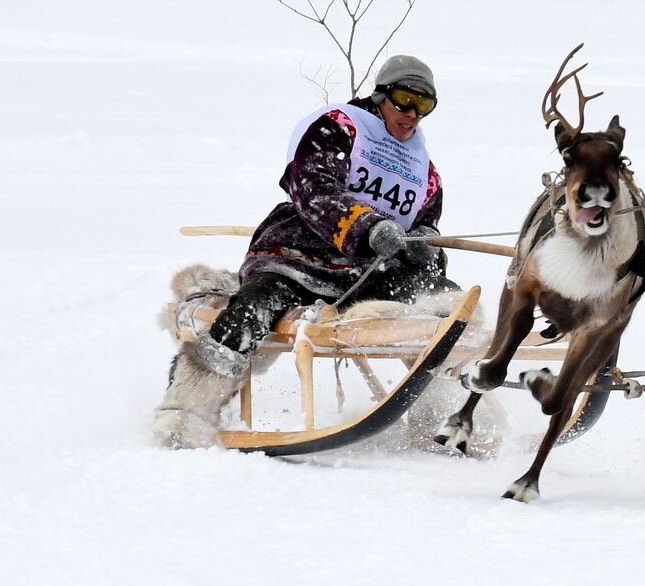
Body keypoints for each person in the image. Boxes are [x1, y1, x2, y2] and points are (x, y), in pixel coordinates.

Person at [153, 54, 453, 448]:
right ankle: (185, 412)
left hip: (367, 275)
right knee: (255, 305)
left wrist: (424, 246)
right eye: (403, 99)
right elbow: (314, 188)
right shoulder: (339, 127)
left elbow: (426, 222)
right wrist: (368, 226)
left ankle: (450, 421)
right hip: (301, 254)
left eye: (423, 105)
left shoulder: (423, 170)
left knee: (443, 307)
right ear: (381, 95)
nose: (411, 113)